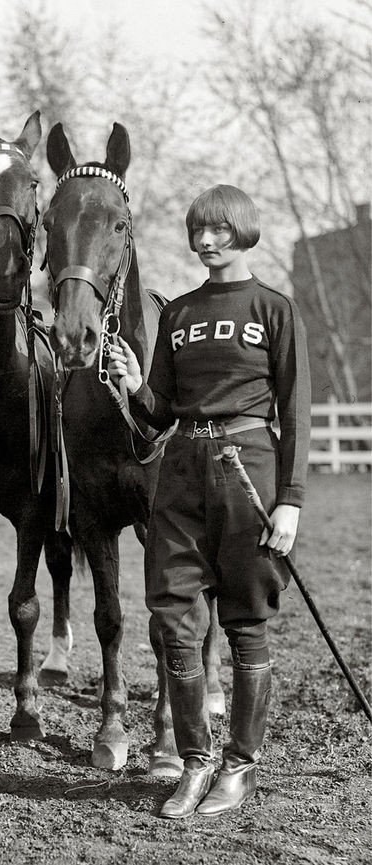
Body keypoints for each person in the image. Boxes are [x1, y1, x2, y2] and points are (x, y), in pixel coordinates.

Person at [109, 184, 311, 818]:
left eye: (218, 230)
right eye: (198, 230)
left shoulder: (274, 309)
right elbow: (160, 411)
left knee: (246, 623)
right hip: (181, 471)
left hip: (248, 466)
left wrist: (291, 500)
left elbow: (296, 410)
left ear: (242, 232)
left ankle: (239, 765)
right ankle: (194, 762)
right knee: (174, 615)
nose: (205, 240)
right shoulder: (179, 314)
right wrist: (136, 385)